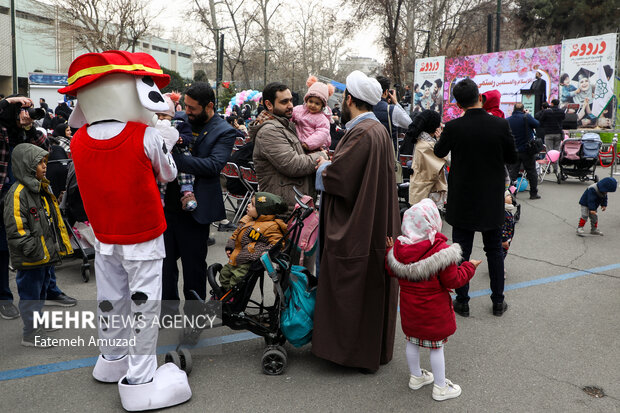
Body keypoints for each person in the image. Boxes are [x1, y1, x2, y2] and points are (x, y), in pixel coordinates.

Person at [312, 70, 400, 373]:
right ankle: (367, 350)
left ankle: (349, 353)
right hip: (373, 220)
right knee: (368, 285)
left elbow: (339, 178)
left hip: (359, 224)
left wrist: (323, 166)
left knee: (352, 283)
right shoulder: (377, 131)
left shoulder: (364, 132)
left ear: (349, 99)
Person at [434, 78, 517, 317]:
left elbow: (439, 152)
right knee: (494, 251)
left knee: (461, 252)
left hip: (463, 199)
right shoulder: (500, 126)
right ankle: (498, 302)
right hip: (491, 198)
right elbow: (511, 157)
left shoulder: (453, 127)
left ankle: (462, 301)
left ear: (459, 104)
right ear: (479, 97)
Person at [386, 199, 479, 401]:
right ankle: (440, 387)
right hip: (434, 313)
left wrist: (389, 251)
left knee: (412, 342)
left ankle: (416, 377)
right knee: (436, 347)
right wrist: (470, 267)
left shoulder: (399, 250)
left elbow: (390, 269)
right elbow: (454, 280)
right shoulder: (441, 251)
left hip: (410, 313)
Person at [162, 82, 236, 318]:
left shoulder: (223, 130)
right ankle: (168, 311)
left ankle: (194, 316)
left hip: (196, 212)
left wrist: (170, 157)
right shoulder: (179, 118)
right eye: (185, 105)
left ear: (209, 106)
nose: (187, 111)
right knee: (164, 266)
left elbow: (213, 166)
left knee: (194, 268)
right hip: (166, 206)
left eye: (193, 108)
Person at [3, 143, 73, 346]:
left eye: (45, 162)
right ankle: (30, 334)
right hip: (31, 255)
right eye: (39, 163)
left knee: (41, 291)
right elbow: (16, 227)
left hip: (43, 253)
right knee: (30, 294)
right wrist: (31, 248)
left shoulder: (41, 187)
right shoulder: (18, 193)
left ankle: (37, 323)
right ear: (26, 165)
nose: (44, 166)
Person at [0, 95, 51, 320]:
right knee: (2, 249)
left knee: (35, 244)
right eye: (21, 110)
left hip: (27, 199)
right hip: (3, 196)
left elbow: (44, 149)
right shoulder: (2, 130)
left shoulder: (26, 133)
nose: (25, 114)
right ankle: (4, 298)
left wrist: (29, 129)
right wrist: (7, 104)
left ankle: (43, 295)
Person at [250, 82, 326, 215]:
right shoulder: (269, 131)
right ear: (268, 104)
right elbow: (293, 164)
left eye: (291, 100)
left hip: (294, 205)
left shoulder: (286, 125)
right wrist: (321, 156)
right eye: (284, 102)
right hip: (281, 210)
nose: (290, 105)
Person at [220, 192, 288, 290]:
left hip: (247, 261)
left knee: (236, 280)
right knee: (224, 275)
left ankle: (230, 297)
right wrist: (230, 247)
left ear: (262, 211)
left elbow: (277, 243)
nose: (248, 205)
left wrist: (265, 252)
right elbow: (236, 234)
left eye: (252, 205)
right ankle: (226, 294)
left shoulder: (271, 226)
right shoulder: (247, 219)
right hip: (235, 256)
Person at [155, 95, 197, 211]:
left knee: (185, 173)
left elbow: (189, 137)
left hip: (180, 153)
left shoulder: (180, 123)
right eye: (158, 115)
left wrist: (181, 139)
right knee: (161, 175)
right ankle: (160, 198)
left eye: (164, 116)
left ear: (171, 115)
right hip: (164, 155)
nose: (161, 118)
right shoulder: (154, 126)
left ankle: (188, 194)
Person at [405, 110, 447, 209]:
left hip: (419, 192)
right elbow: (448, 159)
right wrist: (441, 140)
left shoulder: (420, 140)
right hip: (427, 194)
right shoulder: (428, 146)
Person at [507, 103, 541, 199]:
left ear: (513, 109)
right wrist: (528, 114)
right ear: (523, 110)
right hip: (527, 150)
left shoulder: (508, 120)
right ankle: (533, 193)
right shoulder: (526, 117)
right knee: (531, 172)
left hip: (514, 151)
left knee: (513, 173)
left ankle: (512, 194)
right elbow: (537, 124)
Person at [291, 76, 334, 152]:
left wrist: (308, 144)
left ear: (322, 106)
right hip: (297, 143)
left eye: (317, 103)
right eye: (311, 101)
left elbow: (322, 133)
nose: (313, 105)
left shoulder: (322, 119)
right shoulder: (298, 110)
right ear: (306, 100)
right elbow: (289, 116)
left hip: (313, 147)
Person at [373, 76, 412, 152]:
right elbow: (409, 123)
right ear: (386, 92)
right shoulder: (392, 110)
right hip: (388, 156)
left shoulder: (365, 107)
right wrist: (396, 103)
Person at [537, 99, 565, 172]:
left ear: (552, 104)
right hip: (558, 133)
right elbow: (563, 119)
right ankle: (555, 169)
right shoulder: (561, 112)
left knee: (549, 151)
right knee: (556, 151)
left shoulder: (547, 112)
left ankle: (548, 168)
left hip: (548, 133)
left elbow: (541, 120)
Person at [502, 191, 517, 276]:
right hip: (503, 238)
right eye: (507, 196)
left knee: (504, 253)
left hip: (508, 237)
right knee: (500, 253)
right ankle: (499, 269)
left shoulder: (508, 209)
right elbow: (501, 228)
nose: (510, 197)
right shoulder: (502, 213)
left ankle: (496, 265)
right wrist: (504, 240)